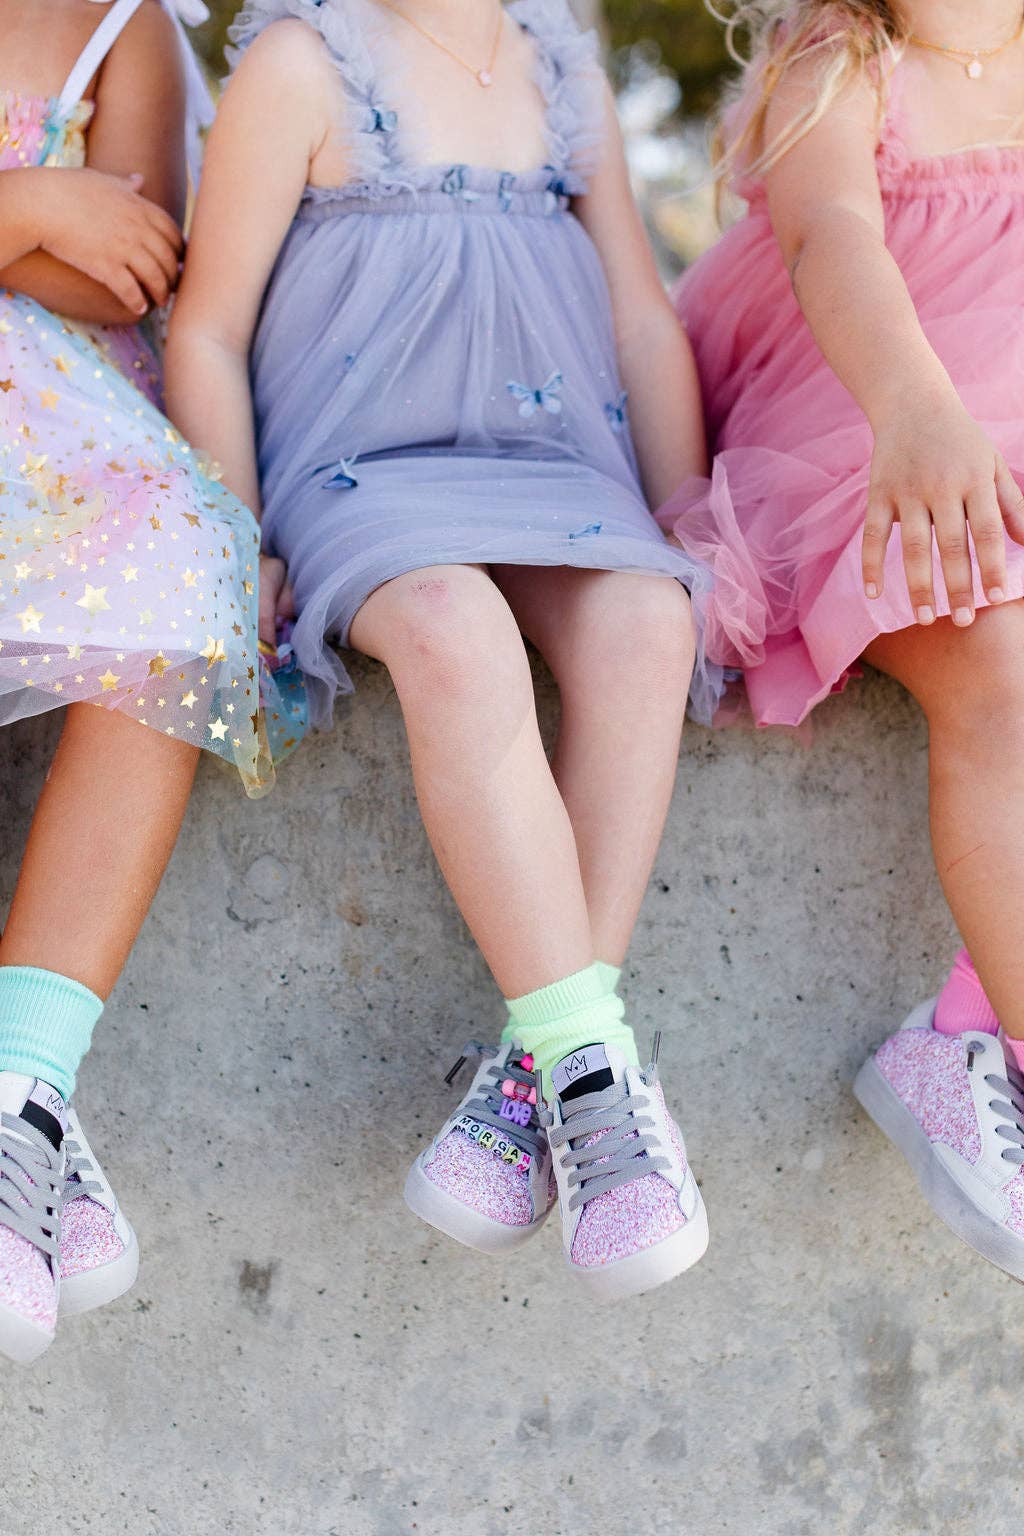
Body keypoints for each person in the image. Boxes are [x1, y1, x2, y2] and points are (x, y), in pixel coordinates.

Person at [166, 0, 721, 1300]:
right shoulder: (307, 65)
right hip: (367, 473)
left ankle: (533, 1081)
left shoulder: (559, 60)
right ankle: (597, 1073)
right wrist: (234, 535)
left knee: (649, 619)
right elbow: (209, 327)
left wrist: (695, 514)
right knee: (453, 629)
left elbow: (641, 319)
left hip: (551, 461)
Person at [661, 0, 1024, 1279]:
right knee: (998, 661)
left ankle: (967, 1024)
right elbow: (830, 237)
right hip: (876, 421)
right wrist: (916, 412)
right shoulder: (846, 60)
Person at [0, 0, 275, 1364]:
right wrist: (38, 199)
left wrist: (44, 234)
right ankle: (31, 1118)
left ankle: (20, 1092)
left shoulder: (131, 30)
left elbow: (129, 276)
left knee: (184, 569)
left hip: (59, 412)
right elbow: (76, 244)